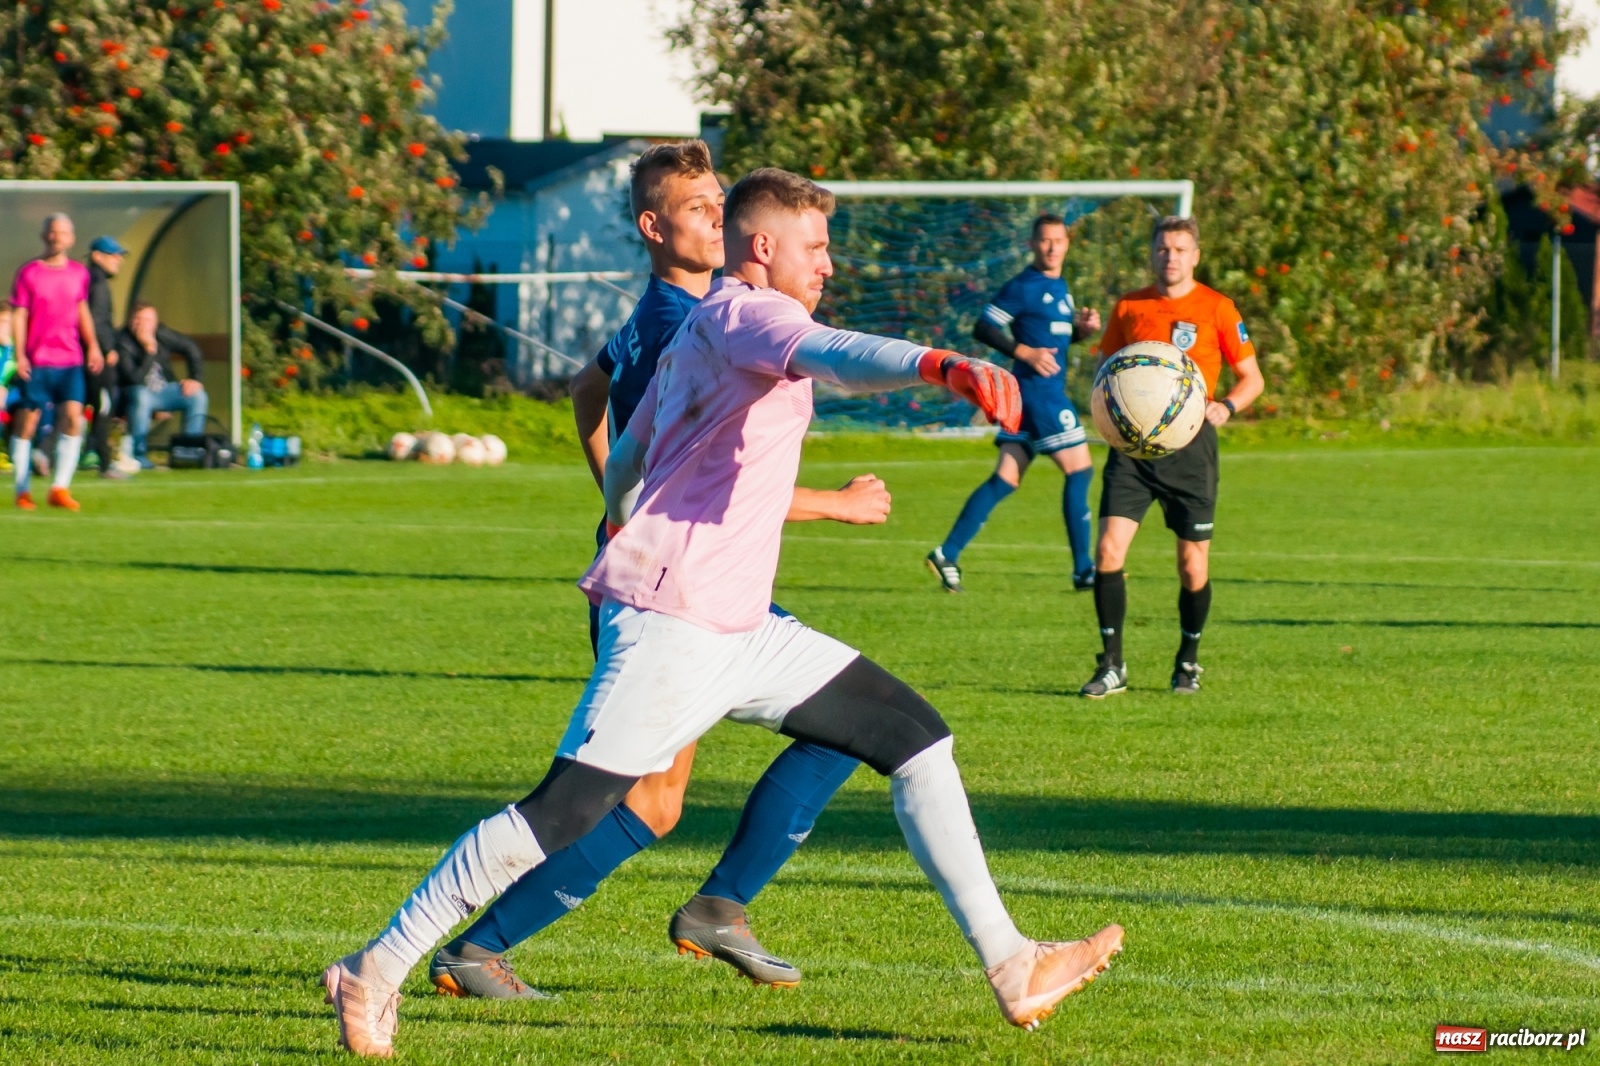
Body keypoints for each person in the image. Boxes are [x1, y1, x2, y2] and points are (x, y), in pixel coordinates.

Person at [321, 167, 1123, 1058]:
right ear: (765, 246)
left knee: (915, 736)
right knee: (563, 811)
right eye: (816, 247)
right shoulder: (749, 312)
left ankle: (1012, 965)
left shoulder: (705, 326)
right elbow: (840, 353)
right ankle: (377, 966)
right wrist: (941, 364)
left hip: (739, 628)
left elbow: (627, 456)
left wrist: (629, 511)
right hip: (679, 627)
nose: (828, 264)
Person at [428, 140, 884, 1000]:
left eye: (721, 203)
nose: (719, 218)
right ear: (654, 226)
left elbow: (585, 390)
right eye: (700, 208)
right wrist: (839, 503)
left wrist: (617, 494)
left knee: (677, 793)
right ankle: (488, 946)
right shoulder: (695, 323)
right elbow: (719, 476)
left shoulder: (655, 314)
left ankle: (699, 909)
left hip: (680, 580)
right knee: (642, 798)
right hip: (675, 593)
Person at [1078, 215, 1265, 698]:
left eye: (1180, 249)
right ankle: (1111, 665)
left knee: (1192, 567)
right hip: (1131, 450)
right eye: (1163, 249)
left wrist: (1226, 406)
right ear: (1152, 253)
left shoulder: (1218, 308)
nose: (1171, 257)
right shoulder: (1130, 306)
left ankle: (1187, 661)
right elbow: (1106, 372)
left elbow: (1253, 378)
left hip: (1191, 448)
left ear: (1195, 255)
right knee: (1107, 553)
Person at [927, 214, 1102, 593]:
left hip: (1026, 395)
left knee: (1006, 478)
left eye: (1058, 239)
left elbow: (1050, 337)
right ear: (1031, 244)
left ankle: (947, 553)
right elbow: (984, 326)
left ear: (1068, 243)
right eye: (1044, 240)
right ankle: (1085, 570)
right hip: (1040, 394)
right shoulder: (1024, 285)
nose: (1052, 247)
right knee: (1081, 471)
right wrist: (1023, 351)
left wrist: (1080, 332)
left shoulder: (1059, 285)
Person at [9, 213, 105, 511]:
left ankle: (59, 488)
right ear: (44, 236)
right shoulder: (29, 273)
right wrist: (20, 353)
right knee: (27, 423)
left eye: (62, 232)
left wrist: (93, 347)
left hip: (70, 360)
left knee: (74, 419)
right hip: (38, 361)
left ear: (71, 238)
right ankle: (22, 490)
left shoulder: (79, 274)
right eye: (52, 231)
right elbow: (20, 314)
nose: (57, 237)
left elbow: (82, 310)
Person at [118, 301, 209, 468]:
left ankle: (189, 452)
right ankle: (139, 455)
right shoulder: (122, 341)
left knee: (197, 396)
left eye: (148, 320)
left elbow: (191, 348)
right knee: (141, 395)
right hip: (134, 394)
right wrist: (149, 351)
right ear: (131, 321)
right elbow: (134, 379)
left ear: (155, 323)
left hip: (163, 391)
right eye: (138, 319)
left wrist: (195, 379)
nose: (142, 325)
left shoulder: (161, 333)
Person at [85, 235, 130, 479]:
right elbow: (98, 320)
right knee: (103, 406)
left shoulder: (86, 280)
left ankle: (45, 454)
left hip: (80, 353)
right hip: (96, 357)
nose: (119, 260)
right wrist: (107, 348)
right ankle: (104, 463)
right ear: (97, 256)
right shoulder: (98, 284)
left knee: (75, 405)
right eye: (114, 255)